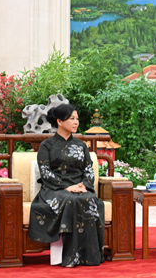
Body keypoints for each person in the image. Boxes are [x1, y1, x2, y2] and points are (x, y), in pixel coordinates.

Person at [28, 104, 104, 267]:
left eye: (77, 119)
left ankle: (90, 256)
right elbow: (45, 171)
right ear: (60, 121)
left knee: (89, 199)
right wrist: (66, 187)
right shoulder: (46, 145)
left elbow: (88, 169)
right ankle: (71, 256)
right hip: (54, 189)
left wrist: (84, 185)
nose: (76, 122)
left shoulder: (81, 145)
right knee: (71, 200)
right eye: (72, 118)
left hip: (79, 187)